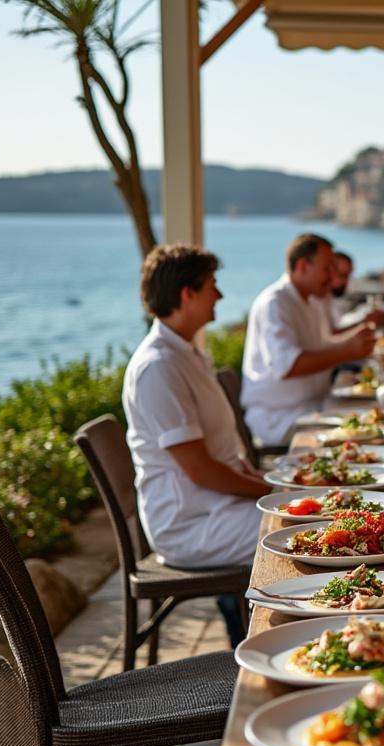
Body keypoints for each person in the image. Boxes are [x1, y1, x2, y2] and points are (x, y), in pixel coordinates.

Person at [122, 244, 274, 643]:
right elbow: (201, 470)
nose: (219, 295)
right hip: (190, 524)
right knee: (295, 530)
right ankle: (268, 647)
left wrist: (269, 483)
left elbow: (223, 453)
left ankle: (251, 622)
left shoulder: (186, 353)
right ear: (187, 293)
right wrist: (274, 492)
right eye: (212, 285)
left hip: (216, 508)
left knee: (309, 517)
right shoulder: (157, 368)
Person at [241, 234, 376, 446]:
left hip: (315, 407)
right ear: (303, 265)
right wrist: (349, 350)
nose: (333, 278)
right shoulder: (274, 303)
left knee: (373, 422)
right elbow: (288, 366)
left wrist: (356, 338)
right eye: (327, 269)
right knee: (367, 435)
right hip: (281, 418)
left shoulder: (313, 300)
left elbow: (326, 344)